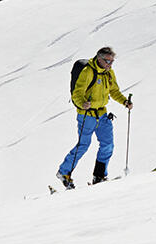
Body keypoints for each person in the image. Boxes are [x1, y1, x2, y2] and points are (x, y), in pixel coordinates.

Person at [57, 47, 134, 188]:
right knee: (84, 145)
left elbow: (114, 91)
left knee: (108, 144)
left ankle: (99, 176)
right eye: (107, 61)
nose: (110, 64)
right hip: (87, 115)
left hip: (102, 114)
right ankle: (64, 172)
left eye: (112, 62)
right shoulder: (87, 72)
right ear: (99, 58)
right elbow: (77, 92)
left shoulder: (109, 73)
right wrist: (82, 103)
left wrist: (124, 101)